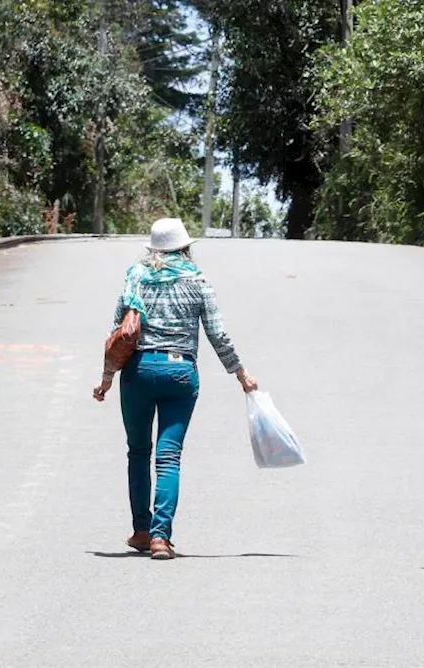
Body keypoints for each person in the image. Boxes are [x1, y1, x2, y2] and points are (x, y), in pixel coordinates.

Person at [92, 218, 259, 561]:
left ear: (153, 248)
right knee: (168, 457)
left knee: (138, 452)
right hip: (180, 373)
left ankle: (141, 529)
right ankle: (160, 537)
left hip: (138, 371)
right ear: (186, 247)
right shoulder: (198, 281)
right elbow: (218, 335)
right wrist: (240, 374)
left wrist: (107, 378)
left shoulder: (136, 277)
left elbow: (118, 332)